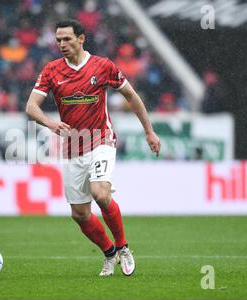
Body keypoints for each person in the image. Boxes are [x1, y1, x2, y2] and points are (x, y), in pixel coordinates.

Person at [25, 19, 161, 277]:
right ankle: (109, 253)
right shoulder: (52, 71)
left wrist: (149, 131)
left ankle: (123, 247)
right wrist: (49, 122)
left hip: (101, 140)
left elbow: (131, 96)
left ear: (81, 38)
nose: (62, 44)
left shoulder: (103, 66)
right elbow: (31, 107)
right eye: (58, 40)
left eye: (67, 39)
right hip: (72, 149)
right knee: (79, 213)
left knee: (100, 193)